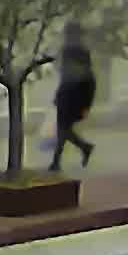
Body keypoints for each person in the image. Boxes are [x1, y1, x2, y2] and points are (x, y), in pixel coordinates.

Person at [48, 23, 99, 171]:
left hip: (73, 95)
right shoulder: (72, 50)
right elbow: (67, 75)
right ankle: (79, 150)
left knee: (63, 129)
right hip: (69, 94)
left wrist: (86, 104)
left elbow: (84, 77)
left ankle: (60, 160)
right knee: (63, 128)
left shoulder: (74, 51)